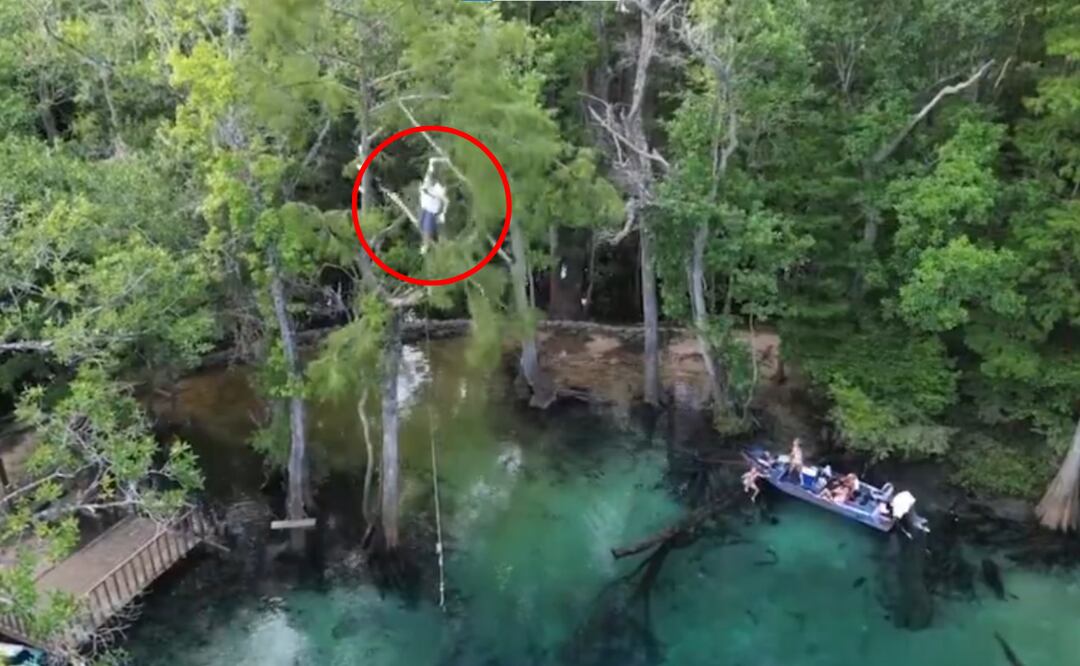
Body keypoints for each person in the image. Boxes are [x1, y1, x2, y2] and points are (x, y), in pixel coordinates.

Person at [418, 158, 449, 254]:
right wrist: (436, 161)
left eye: (431, 180)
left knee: (427, 228)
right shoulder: (427, 180)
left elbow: (446, 200)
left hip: (431, 211)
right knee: (421, 225)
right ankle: (433, 239)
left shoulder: (438, 189)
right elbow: (430, 165)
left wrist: (443, 213)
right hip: (424, 208)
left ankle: (426, 246)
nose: (428, 181)